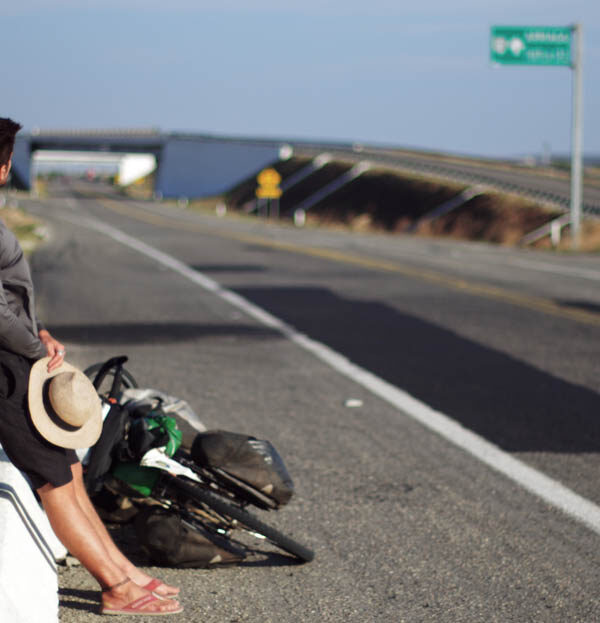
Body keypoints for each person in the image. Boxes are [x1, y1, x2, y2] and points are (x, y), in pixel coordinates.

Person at [0, 117, 182, 616]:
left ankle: (125, 572)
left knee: (70, 471)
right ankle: (116, 587)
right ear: (6, 166)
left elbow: (8, 300)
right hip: (7, 371)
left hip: (17, 359)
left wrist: (38, 332)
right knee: (54, 483)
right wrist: (34, 351)